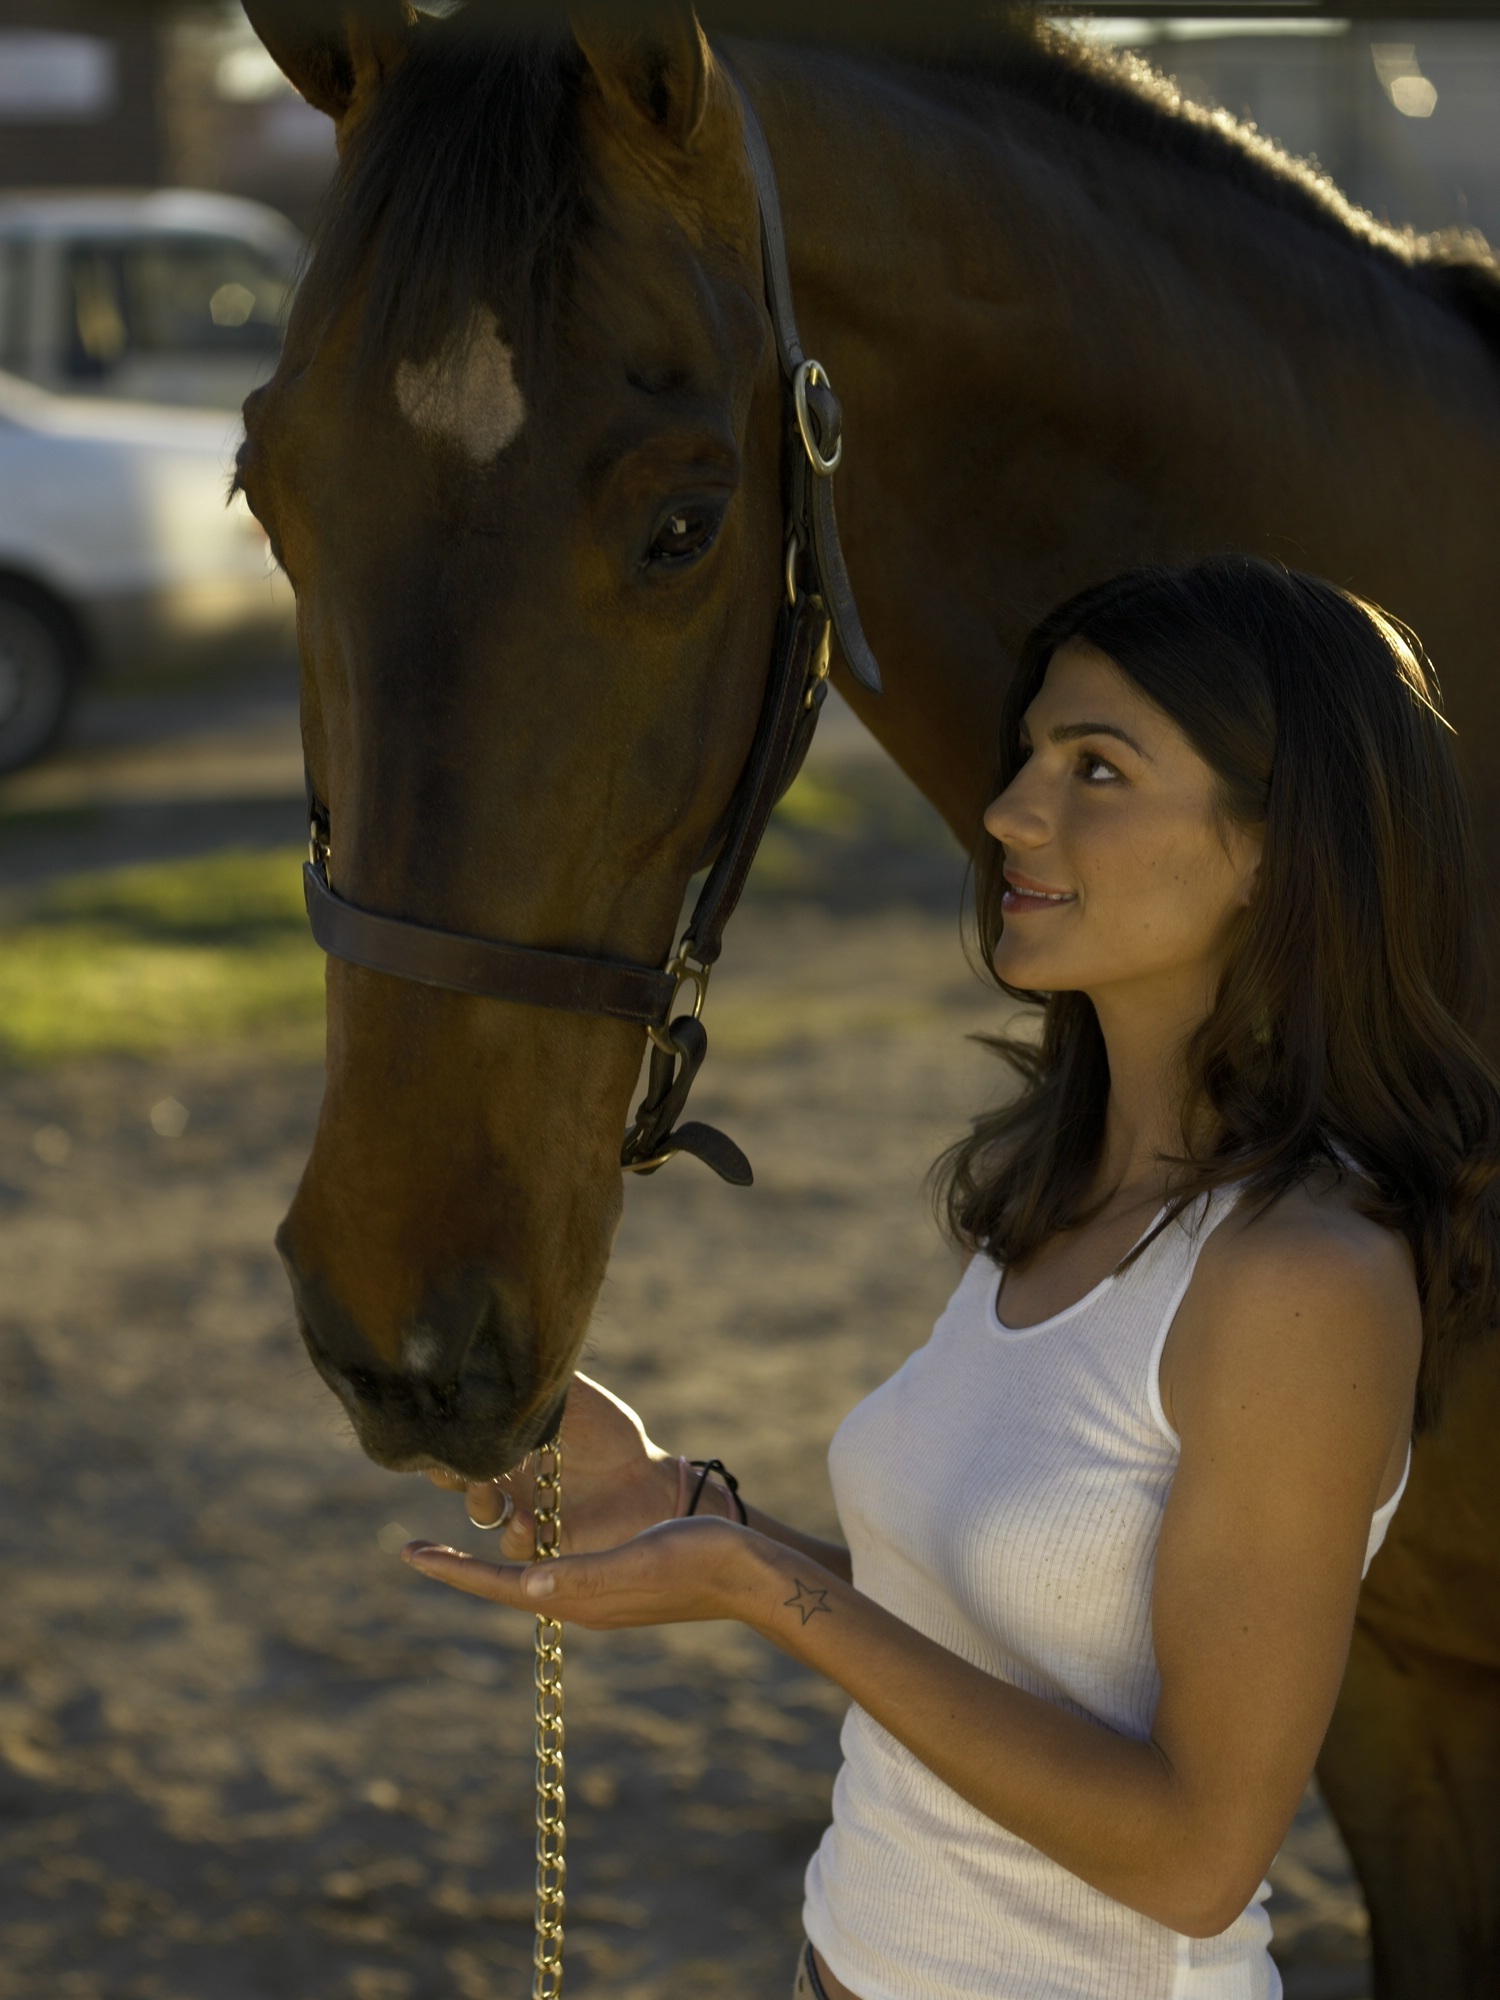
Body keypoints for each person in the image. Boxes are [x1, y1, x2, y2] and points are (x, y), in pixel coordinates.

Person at [403, 555, 1500, 2000]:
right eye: (1030, 753)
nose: (1007, 812)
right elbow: (980, 1629)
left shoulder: (1299, 1281)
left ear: (1279, 850)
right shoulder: (1055, 1204)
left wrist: (752, 1588)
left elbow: (1195, 1854)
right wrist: (687, 1505)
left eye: (1096, 767)